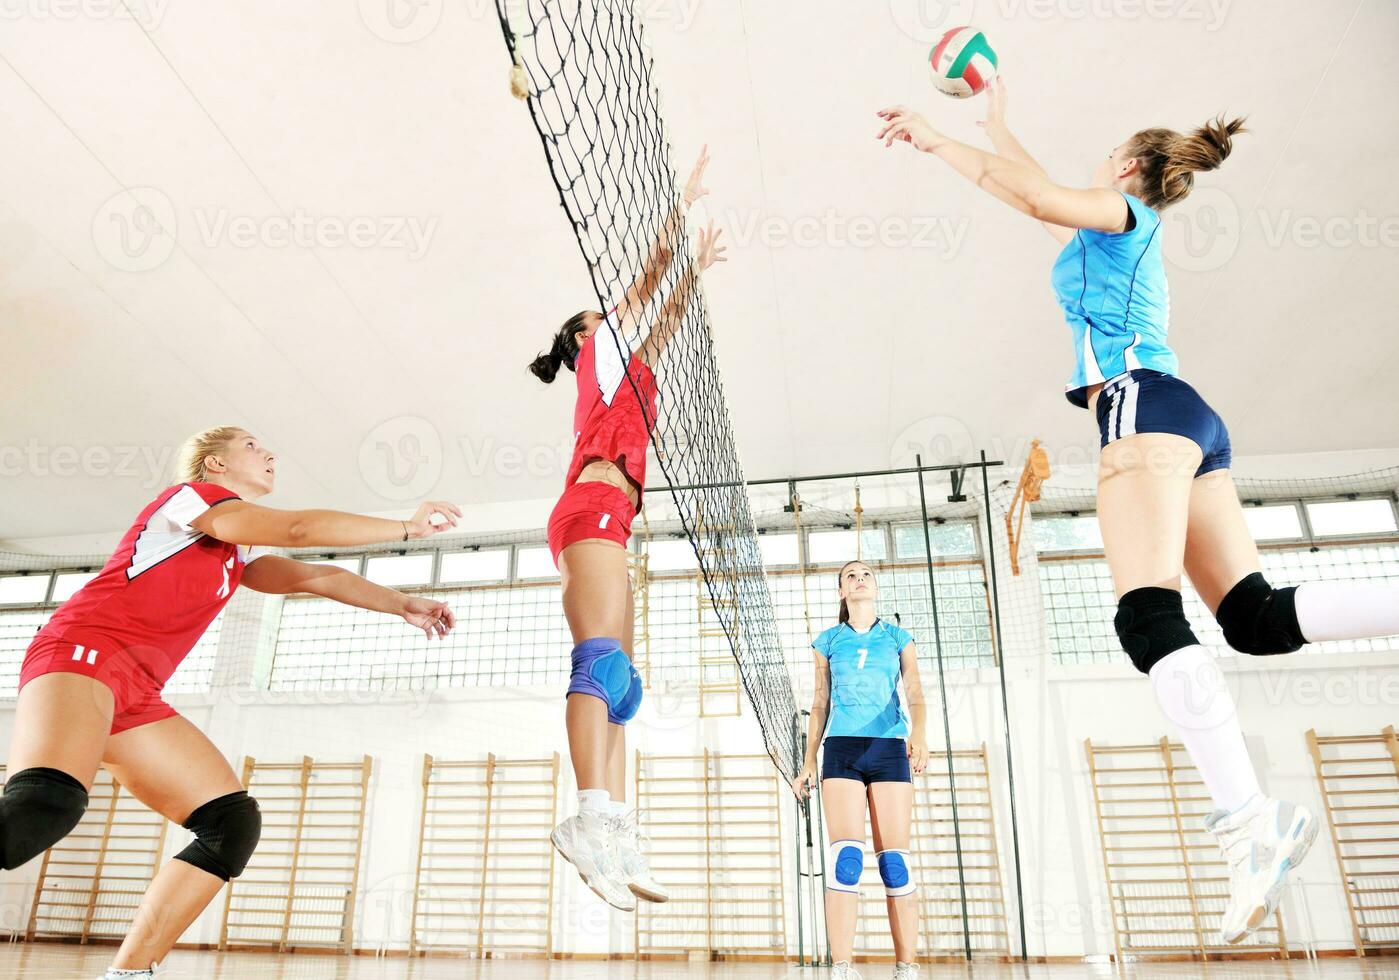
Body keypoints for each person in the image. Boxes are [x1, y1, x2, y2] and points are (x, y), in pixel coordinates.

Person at [875, 79, 1399, 943]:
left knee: (1147, 617)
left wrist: (934, 139)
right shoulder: (1108, 234)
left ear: (1125, 169)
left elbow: (1039, 195)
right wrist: (998, 120)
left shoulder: (1121, 214)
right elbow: (1030, 195)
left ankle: (1246, 824)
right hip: (1187, 414)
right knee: (1253, 617)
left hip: (1139, 407)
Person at [3, 426, 459, 980]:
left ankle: (128, 974)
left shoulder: (234, 551)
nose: (268, 452)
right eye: (251, 446)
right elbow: (298, 528)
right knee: (44, 808)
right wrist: (407, 527)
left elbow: (314, 575)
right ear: (212, 464)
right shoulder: (189, 502)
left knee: (229, 824)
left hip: (137, 695)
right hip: (83, 656)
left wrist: (400, 602)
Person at [529, 147, 727, 911]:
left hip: (611, 517)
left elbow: (664, 315)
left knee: (623, 687)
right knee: (600, 663)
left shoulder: (626, 374)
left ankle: (609, 824)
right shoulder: (598, 354)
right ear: (584, 337)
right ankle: (586, 817)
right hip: (588, 510)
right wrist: (680, 207)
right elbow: (642, 292)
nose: (611, 320)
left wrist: (695, 274)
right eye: (599, 319)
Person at [792, 560, 929, 980]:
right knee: (845, 860)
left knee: (895, 863)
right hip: (841, 750)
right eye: (850, 576)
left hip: (889, 747)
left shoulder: (898, 637)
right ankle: (842, 967)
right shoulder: (828, 641)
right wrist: (808, 759)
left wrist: (920, 735)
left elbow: (916, 694)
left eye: (865, 574)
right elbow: (820, 703)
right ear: (841, 592)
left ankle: (906, 965)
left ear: (876, 586)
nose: (859, 579)